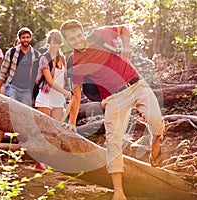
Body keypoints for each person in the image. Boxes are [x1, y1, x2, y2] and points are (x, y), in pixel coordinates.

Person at [60, 19, 164, 200]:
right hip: (113, 98)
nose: (76, 40)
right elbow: (76, 95)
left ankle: (156, 140)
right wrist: (71, 123)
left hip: (136, 85)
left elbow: (124, 29)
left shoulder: (99, 34)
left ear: (83, 31)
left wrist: (126, 45)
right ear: (67, 41)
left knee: (155, 119)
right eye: (71, 39)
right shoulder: (75, 62)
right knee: (113, 141)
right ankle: (119, 192)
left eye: (78, 35)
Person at [0, 27, 40, 143]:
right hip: (12, 86)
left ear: (31, 38)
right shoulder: (12, 52)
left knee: (25, 116)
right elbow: (3, 72)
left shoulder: (36, 54)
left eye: (27, 37)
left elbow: (38, 75)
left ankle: (19, 141)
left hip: (26, 90)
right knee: (8, 113)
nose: (26, 39)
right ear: (19, 39)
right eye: (23, 37)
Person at [35, 29, 72, 121]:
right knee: (44, 129)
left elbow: (67, 76)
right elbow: (50, 82)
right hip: (45, 98)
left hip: (58, 99)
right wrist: (66, 92)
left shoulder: (62, 58)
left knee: (56, 130)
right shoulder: (44, 58)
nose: (56, 46)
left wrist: (73, 89)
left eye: (58, 43)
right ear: (49, 43)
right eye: (54, 43)